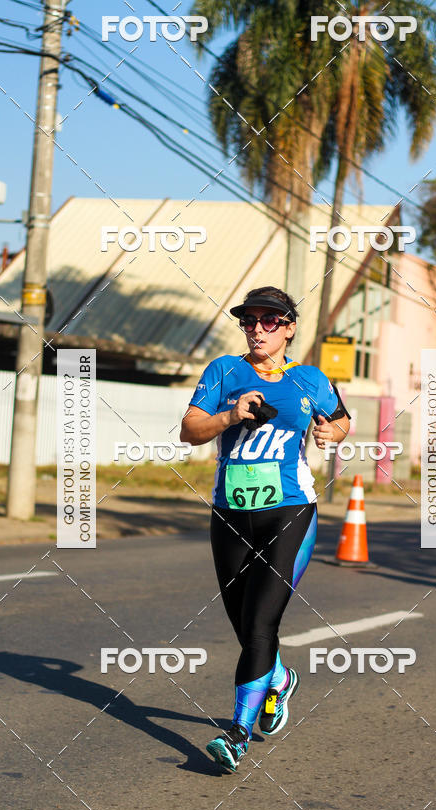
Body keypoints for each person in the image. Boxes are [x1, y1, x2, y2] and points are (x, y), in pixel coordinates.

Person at [180, 286, 350, 772]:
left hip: (290, 512)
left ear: (289, 327)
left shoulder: (310, 379)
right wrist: (230, 415)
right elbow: (189, 430)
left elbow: (341, 422)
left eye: (269, 320)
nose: (257, 328)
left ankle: (236, 736)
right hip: (230, 513)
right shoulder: (222, 371)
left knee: (260, 624)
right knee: (241, 623)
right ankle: (280, 679)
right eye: (249, 320)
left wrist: (328, 433)